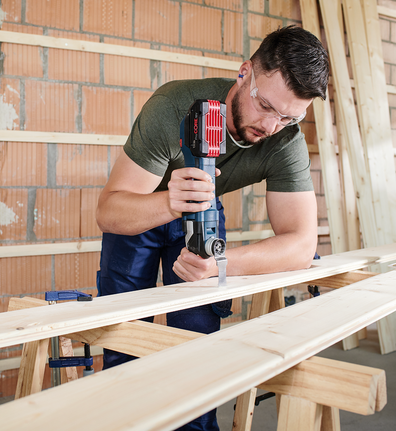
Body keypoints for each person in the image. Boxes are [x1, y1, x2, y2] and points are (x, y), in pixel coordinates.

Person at [95, 25, 329, 431]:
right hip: (148, 203)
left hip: (202, 202)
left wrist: (221, 263)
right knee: (124, 336)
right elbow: (111, 211)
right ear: (244, 74)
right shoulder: (175, 106)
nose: (271, 126)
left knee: (197, 344)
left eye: (289, 116)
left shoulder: (285, 137)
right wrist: (168, 199)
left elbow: (301, 245)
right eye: (265, 106)